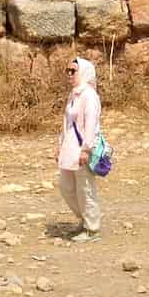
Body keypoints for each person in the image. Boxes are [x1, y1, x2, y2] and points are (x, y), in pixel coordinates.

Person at [57, 56, 103, 242]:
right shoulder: (74, 94)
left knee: (85, 188)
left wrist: (86, 149)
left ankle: (92, 228)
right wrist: (59, 145)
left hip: (82, 150)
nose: (69, 74)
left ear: (83, 72)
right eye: (67, 70)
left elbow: (91, 124)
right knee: (66, 187)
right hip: (69, 148)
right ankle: (84, 219)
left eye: (73, 71)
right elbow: (67, 123)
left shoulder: (89, 96)